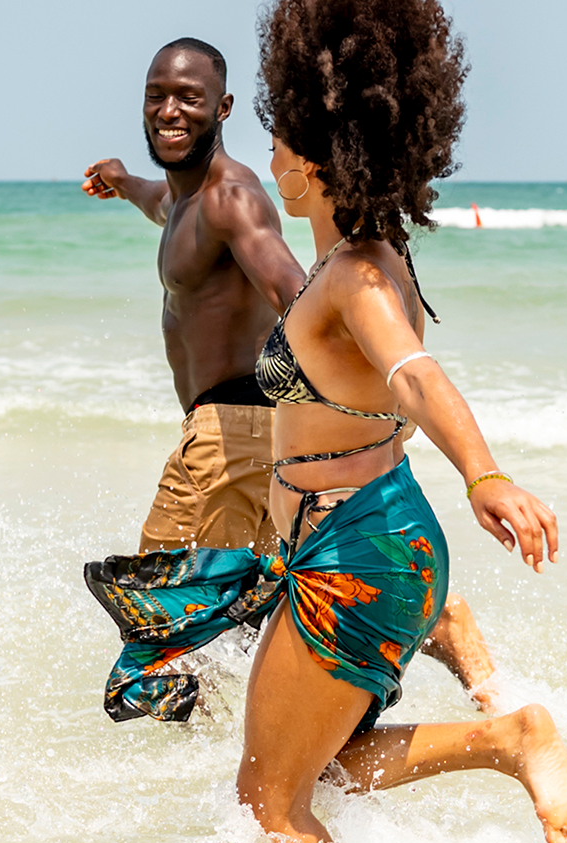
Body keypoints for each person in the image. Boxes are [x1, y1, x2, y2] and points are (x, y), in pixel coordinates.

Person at [81, 37, 502, 713]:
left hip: (228, 438)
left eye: (188, 98)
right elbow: (162, 199)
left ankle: (197, 787)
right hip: (253, 441)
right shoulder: (185, 198)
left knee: (163, 622)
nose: (169, 110)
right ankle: (441, 628)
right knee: (263, 603)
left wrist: (363, 392)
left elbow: (295, 295)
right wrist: (121, 178)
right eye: (156, 96)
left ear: (222, 108)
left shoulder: (233, 199)